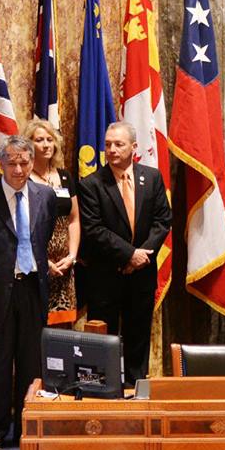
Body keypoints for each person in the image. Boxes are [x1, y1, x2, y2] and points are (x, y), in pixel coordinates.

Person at [0, 135, 59, 450]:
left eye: (24, 162)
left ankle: (27, 427)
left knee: (32, 364)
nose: (18, 169)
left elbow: (42, 239)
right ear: (0, 163)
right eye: (12, 162)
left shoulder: (45, 195)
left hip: (33, 288)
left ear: (32, 162)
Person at [76, 122, 174, 383]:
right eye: (107, 145)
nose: (111, 150)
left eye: (118, 144)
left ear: (134, 147)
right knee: (104, 341)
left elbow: (163, 220)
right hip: (106, 276)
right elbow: (94, 229)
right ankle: (103, 393)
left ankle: (135, 389)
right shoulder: (91, 184)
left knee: (138, 337)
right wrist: (130, 255)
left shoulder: (151, 177)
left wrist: (142, 256)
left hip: (142, 274)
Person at [26, 117, 81, 317]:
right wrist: (42, 261)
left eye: (50, 139)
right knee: (38, 325)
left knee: (64, 330)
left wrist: (72, 257)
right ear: (28, 144)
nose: (46, 144)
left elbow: (74, 219)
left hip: (65, 266)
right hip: (36, 264)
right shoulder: (23, 179)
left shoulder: (65, 176)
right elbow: (21, 225)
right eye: (39, 140)